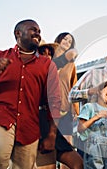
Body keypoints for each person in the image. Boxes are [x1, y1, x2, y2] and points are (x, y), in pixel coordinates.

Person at [0, 19, 61, 169]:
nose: (38, 34)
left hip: (30, 126)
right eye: (33, 30)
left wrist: (52, 134)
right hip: (0, 116)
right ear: (18, 33)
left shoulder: (47, 66)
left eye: (39, 31)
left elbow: (53, 101)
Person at [36, 41, 83, 169]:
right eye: (42, 52)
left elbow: (73, 88)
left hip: (54, 120)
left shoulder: (56, 73)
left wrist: (76, 110)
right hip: (35, 123)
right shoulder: (31, 74)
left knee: (77, 162)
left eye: (49, 53)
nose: (47, 56)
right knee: (47, 165)